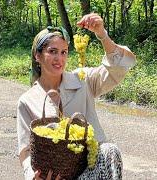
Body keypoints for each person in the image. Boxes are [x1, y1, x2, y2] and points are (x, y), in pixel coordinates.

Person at [16, 13, 136, 180]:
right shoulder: (28, 101)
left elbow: (120, 67)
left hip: (93, 169)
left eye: (64, 52)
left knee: (109, 151)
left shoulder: (82, 80)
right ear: (38, 56)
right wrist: (33, 176)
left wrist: (102, 34)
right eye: (53, 51)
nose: (59, 58)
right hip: (57, 174)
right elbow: (26, 151)